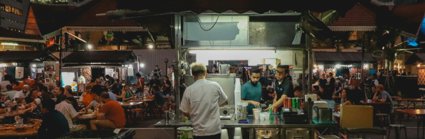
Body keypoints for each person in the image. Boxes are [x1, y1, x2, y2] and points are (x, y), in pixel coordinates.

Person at [180, 63, 228, 139]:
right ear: (205, 73)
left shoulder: (189, 90)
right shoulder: (215, 85)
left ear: (193, 75)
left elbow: (184, 111)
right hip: (214, 131)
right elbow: (225, 101)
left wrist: (192, 114)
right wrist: (213, 105)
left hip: (199, 132)